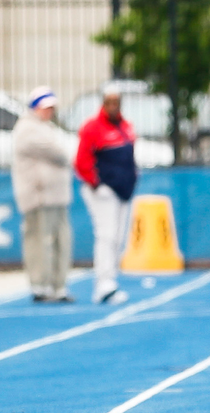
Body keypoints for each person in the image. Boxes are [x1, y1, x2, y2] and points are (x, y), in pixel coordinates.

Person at [75, 85, 137, 304]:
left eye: (116, 101)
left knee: (118, 237)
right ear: (103, 102)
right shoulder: (92, 127)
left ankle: (111, 279)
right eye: (109, 101)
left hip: (123, 191)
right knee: (106, 235)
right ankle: (103, 283)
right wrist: (96, 183)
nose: (113, 105)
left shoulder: (126, 127)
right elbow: (81, 161)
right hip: (104, 190)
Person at [12, 86, 74, 303]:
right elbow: (57, 153)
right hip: (38, 196)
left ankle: (59, 285)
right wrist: (64, 153)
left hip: (57, 195)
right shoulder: (27, 128)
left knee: (61, 241)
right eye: (46, 107)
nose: (50, 111)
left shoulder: (46, 128)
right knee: (39, 241)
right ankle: (40, 285)